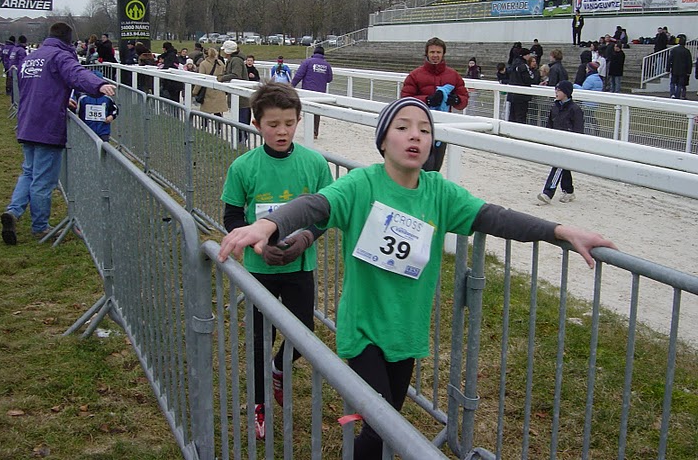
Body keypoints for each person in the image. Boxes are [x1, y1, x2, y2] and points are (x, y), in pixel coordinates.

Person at [217, 96, 616, 459]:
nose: (415, 136)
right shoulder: (362, 184)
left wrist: (559, 230)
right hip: (363, 330)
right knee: (381, 427)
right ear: (383, 140)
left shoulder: (440, 193)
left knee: (387, 424)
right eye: (403, 127)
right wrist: (270, 225)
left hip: (406, 332)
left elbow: (496, 217)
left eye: (425, 130)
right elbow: (315, 205)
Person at [220, 82, 333, 440]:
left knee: (303, 332)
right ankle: (259, 404)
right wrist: (256, 246)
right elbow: (232, 216)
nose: (281, 131)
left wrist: (306, 238)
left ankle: (279, 370)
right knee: (260, 337)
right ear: (257, 124)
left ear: (299, 120)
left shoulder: (314, 163)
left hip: (299, 266)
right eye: (273, 124)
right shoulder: (243, 166)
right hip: (260, 271)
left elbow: (326, 214)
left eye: (289, 123)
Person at [0, 22, 116, 245]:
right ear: (68, 39)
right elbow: (76, 74)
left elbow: (37, 88)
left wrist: (61, 99)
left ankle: (13, 211)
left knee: (28, 172)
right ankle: (40, 227)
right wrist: (99, 85)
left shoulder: (32, 56)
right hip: (47, 125)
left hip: (27, 122)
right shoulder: (60, 56)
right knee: (43, 180)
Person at [400, 37, 469, 172]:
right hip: (419, 127)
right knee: (423, 166)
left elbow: (464, 100)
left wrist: (456, 100)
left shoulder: (453, 75)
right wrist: (427, 100)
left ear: (443, 54)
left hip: (442, 126)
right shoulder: (415, 75)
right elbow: (405, 99)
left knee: (435, 167)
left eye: (438, 52)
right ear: (427, 53)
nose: (435, 55)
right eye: (432, 52)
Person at [537, 81, 585, 205]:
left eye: (559, 90)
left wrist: (575, 144)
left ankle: (548, 192)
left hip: (568, 144)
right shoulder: (554, 107)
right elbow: (550, 124)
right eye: (556, 90)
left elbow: (578, 129)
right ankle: (568, 191)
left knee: (558, 166)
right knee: (564, 167)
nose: (556, 93)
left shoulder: (575, 109)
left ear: (566, 92)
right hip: (556, 142)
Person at [291, 45, 334, 138]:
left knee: (307, 110)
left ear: (314, 53)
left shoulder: (307, 62)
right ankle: (315, 132)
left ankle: (308, 130)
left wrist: (291, 86)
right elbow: (329, 79)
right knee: (316, 111)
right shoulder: (326, 65)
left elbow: (299, 75)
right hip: (320, 93)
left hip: (308, 91)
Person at [75, 70, 119, 142]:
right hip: (87, 130)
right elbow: (77, 112)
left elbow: (115, 109)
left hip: (103, 131)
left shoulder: (107, 98)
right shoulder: (83, 98)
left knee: (103, 147)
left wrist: (111, 116)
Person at [219, 40, 251, 137]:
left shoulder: (236, 60)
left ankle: (241, 141)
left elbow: (236, 75)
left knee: (241, 125)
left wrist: (222, 78)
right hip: (238, 98)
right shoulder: (232, 60)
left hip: (241, 100)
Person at [193, 47, 227, 116]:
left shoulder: (203, 64)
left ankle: (205, 123)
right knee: (218, 112)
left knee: (206, 113)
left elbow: (201, 79)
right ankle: (218, 123)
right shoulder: (220, 63)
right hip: (219, 89)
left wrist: (195, 91)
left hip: (208, 91)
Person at [506, 47, 535, 124]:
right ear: (525, 55)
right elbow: (530, 79)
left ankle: (510, 129)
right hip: (522, 95)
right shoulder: (524, 66)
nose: (529, 56)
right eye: (528, 54)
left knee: (512, 115)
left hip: (513, 94)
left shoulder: (513, 64)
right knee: (521, 116)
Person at [667, 35, 692, 99]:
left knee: (672, 82)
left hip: (674, 69)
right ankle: (677, 95)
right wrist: (689, 71)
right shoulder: (686, 51)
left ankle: (672, 94)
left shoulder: (674, 50)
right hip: (683, 70)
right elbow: (689, 62)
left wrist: (668, 68)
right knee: (679, 84)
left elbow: (670, 60)